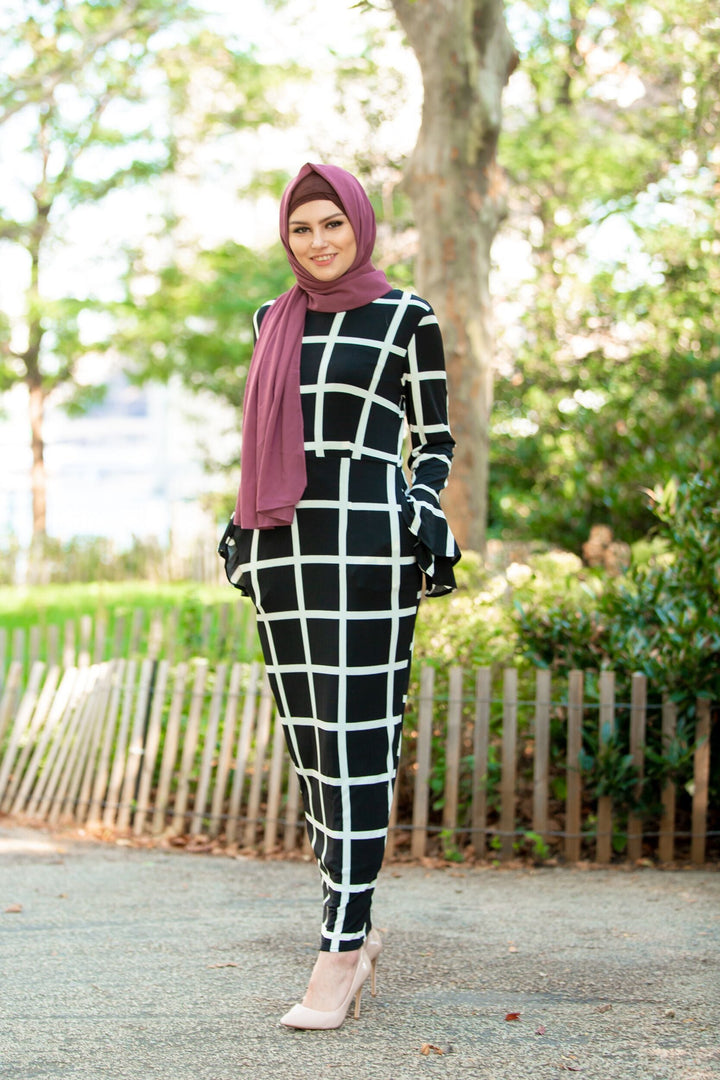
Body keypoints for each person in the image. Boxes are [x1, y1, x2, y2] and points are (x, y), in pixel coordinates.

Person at [219, 162, 460, 1030]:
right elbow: (260, 438)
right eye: (301, 228)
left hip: (366, 543)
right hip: (281, 545)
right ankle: (352, 922)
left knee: (360, 739)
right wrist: (240, 529)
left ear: (361, 223)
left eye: (332, 224)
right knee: (312, 741)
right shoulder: (269, 319)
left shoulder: (405, 318)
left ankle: (339, 948)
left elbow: (433, 442)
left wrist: (416, 509)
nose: (318, 242)